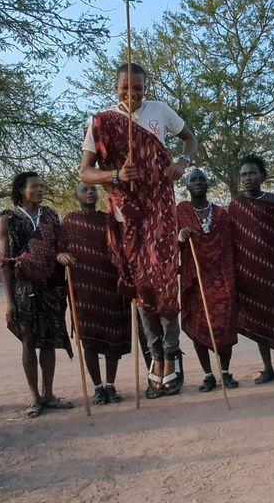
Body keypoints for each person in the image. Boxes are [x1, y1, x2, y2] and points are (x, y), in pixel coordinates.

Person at [78, 62, 197, 398]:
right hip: (125, 216)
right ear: (115, 87)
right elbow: (85, 172)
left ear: (146, 88)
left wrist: (182, 163)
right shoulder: (100, 122)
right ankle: (155, 357)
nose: (132, 94)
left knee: (164, 284)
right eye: (125, 88)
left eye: (138, 88)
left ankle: (171, 358)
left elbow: (190, 139)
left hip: (159, 211)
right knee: (143, 289)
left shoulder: (160, 111)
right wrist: (115, 176)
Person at [0, 172, 74, 418]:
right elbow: (4, 262)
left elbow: (60, 245)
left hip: (51, 287)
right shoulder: (8, 219)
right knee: (28, 341)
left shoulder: (51, 216)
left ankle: (49, 394)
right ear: (22, 190)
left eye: (42, 186)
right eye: (35, 186)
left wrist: (61, 255)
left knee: (49, 341)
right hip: (23, 288)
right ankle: (34, 396)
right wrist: (10, 301)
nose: (40, 190)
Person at [57, 182, 131, 404]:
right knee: (88, 339)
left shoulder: (108, 219)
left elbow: (122, 245)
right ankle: (98, 387)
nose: (90, 192)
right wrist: (62, 256)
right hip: (83, 289)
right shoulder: (69, 221)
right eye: (84, 190)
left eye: (93, 190)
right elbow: (60, 247)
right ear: (76, 195)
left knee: (113, 337)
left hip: (110, 286)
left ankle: (110, 384)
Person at [177, 170, 239, 392]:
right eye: (193, 179)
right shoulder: (181, 211)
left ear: (208, 183)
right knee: (198, 325)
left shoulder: (221, 214)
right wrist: (181, 237)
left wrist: (229, 280)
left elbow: (230, 247)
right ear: (187, 185)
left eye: (202, 178)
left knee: (224, 324)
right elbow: (171, 243)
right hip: (194, 278)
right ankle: (208, 375)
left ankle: (225, 372)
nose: (198, 182)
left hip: (221, 278)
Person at [229, 155, 274, 384]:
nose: (247, 178)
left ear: (262, 176)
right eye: (244, 174)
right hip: (249, 273)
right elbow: (232, 238)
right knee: (258, 320)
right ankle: (267, 368)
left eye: (252, 173)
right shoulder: (236, 205)